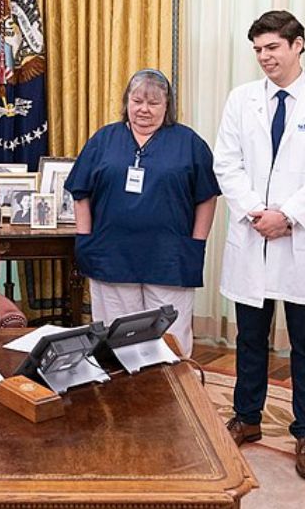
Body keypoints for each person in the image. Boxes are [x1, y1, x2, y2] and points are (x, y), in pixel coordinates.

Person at [213, 10, 305, 481]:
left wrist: (287, 216)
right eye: (257, 50)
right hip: (253, 234)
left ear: (298, 45)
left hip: (299, 239)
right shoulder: (241, 99)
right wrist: (256, 211)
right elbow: (226, 163)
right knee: (249, 337)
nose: (264, 58)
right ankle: (247, 418)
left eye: (272, 47)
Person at [64, 68, 219, 358]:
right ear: (126, 102)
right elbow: (80, 192)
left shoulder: (189, 143)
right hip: (111, 256)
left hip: (170, 258)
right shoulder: (103, 140)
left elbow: (207, 198)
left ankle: (173, 398)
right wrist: (84, 240)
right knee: (115, 338)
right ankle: (122, 399)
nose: (144, 110)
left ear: (167, 106)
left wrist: (196, 244)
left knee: (170, 341)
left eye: (153, 103)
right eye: (137, 101)